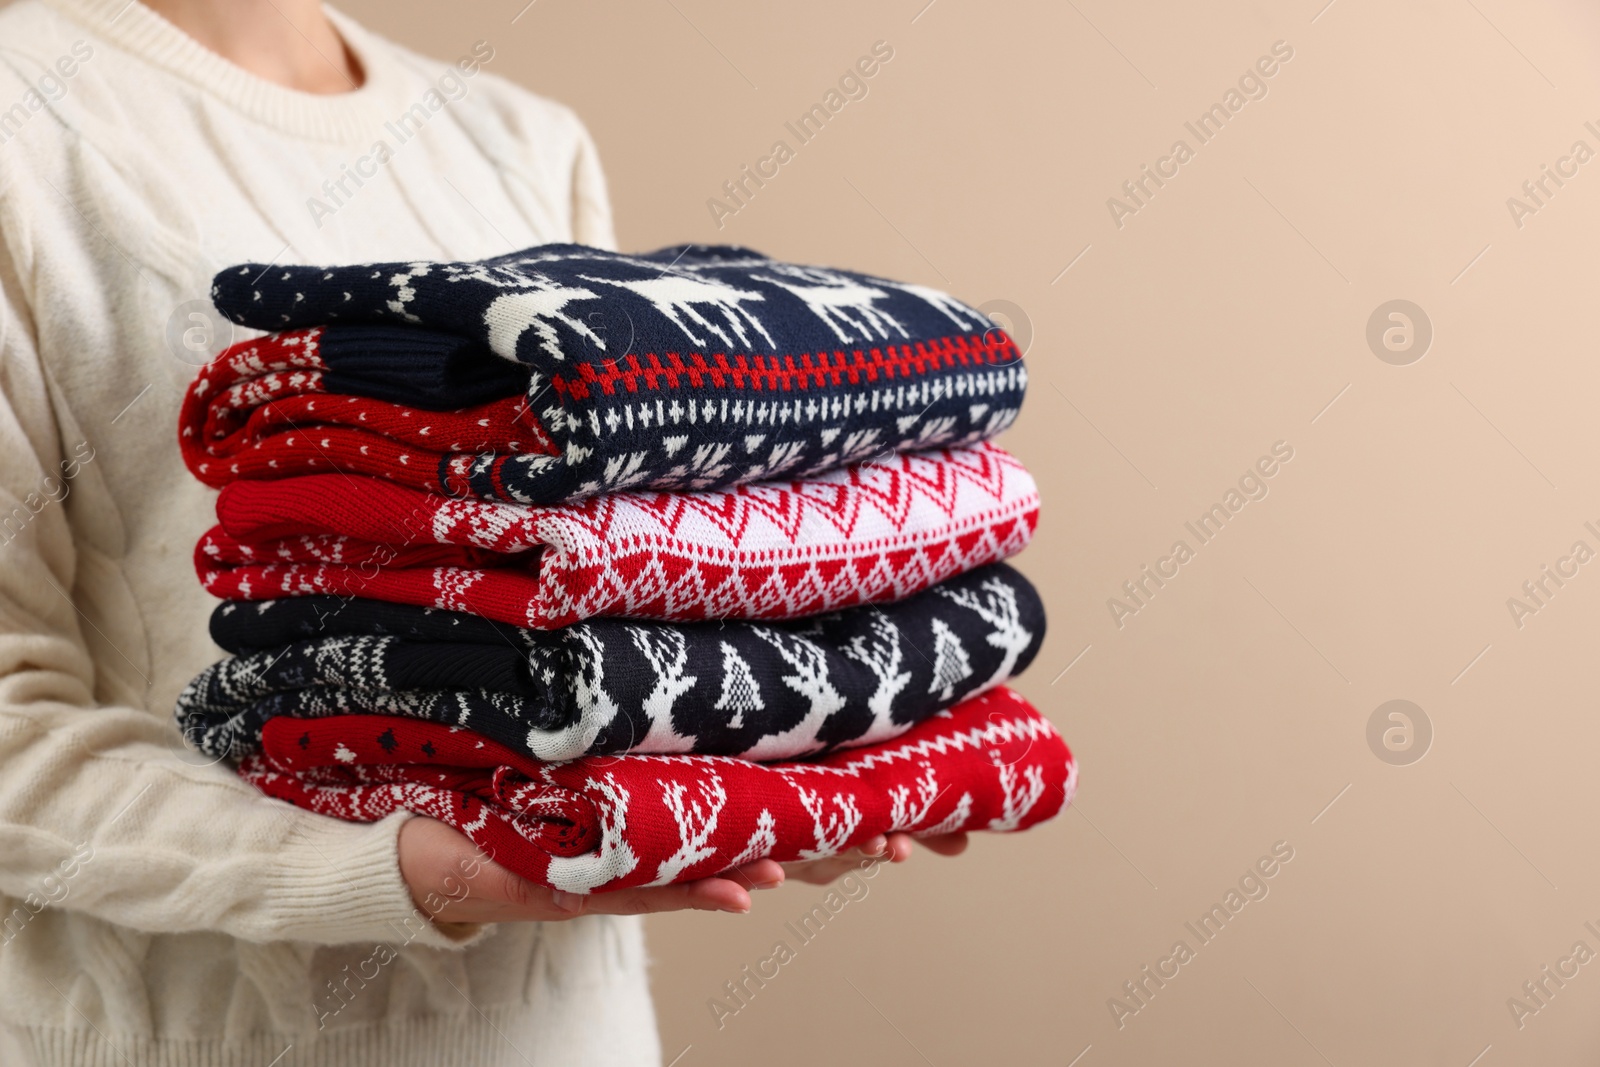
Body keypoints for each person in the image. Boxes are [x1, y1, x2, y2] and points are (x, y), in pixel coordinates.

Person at [0, 1, 967, 1063]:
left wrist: (779, 779)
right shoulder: (27, 109)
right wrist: (421, 864)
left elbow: (623, 580)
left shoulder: (517, 136)